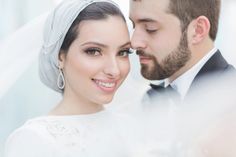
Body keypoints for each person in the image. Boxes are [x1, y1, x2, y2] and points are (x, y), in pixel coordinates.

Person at [4, 0, 132, 157]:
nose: (114, 70)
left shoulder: (132, 125)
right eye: (94, 51)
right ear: (60, 56)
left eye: (123, 52)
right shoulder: (33, 139)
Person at [129, 0, 236, 102]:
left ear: (198, 31)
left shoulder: (230, 98)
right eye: (134, 26)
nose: (134, 43)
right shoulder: (150, 99)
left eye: (150, 28)